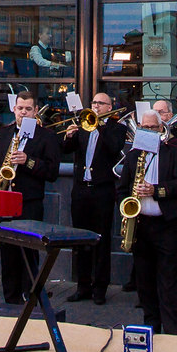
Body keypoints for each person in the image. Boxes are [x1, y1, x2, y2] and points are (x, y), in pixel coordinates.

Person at [0, 91, 62, 303]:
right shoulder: (4, 133)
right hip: (5, 199)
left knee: (29, 251)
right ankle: (9, 298)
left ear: (35, 111)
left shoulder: (46, 136)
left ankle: (30, 297)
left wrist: (28, 161)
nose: (23, 112)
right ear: (14, 109)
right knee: (7, 251)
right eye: (20, 108)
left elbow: (52, 171)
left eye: (28, 109)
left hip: (29, 201)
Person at [122, 99, 177, 334]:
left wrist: (156, 190)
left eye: (153, 128)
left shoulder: (173, 151)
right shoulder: (132, 155)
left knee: (168, 278)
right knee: (144, 279)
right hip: (141, 224)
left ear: (161, 129)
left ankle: (172, 328)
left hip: (165, 223)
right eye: (144, 128)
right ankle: (151, 324)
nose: (148, 132)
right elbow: (122, 189)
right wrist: (126, 207)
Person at [65, 91, 128, 304]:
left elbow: (114, 148)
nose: (96, 106)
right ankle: (82, 286)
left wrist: (99, 126)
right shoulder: (82, 126)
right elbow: (64, 149)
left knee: (101, 240)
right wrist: (68, 135)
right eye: (94, 103)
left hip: (102, 190)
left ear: (110, 107)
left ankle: (100, 288)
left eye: (101, 103)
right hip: (81, 190)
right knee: (80, 239)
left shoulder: (117, 128)